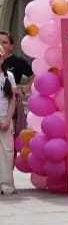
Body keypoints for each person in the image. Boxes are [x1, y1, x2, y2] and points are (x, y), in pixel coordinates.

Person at [0, 66, 16, 195]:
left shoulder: (9, 76)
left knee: (7, 151)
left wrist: (7, 119)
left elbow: (12, 99)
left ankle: (6, 184)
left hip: (6, 118)